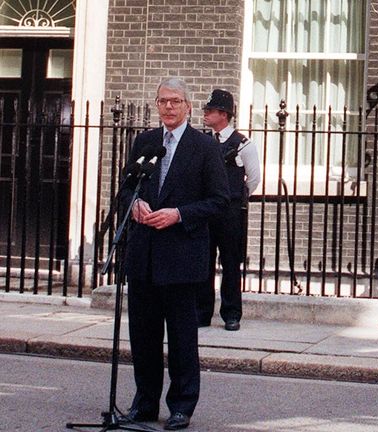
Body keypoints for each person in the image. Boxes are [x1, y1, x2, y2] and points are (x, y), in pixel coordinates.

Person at [120, 78, 228, 430]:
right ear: (156, 104)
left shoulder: (204, 147)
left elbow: (218, 201)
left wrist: (179, 214)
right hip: (145, 256)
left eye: (176, 101)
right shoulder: (145, 142)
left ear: (188, 107)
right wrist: (134, 204)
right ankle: (145, 403)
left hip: (182, 256)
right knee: (144, 336)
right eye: (163, 101)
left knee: (182, 337)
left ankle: (182, 405)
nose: (169, 107)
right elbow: (125, 189)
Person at [196, 89, 262, 331]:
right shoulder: (206, 142)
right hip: (207, 209)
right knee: (204, 261)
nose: (205, 113)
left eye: (210, 110)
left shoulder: (244, 145)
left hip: (230, 210)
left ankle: (231, 313)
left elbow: (253, 179)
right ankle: (202, 312)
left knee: (231, 263)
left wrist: (235, 196)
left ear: (223, 114)